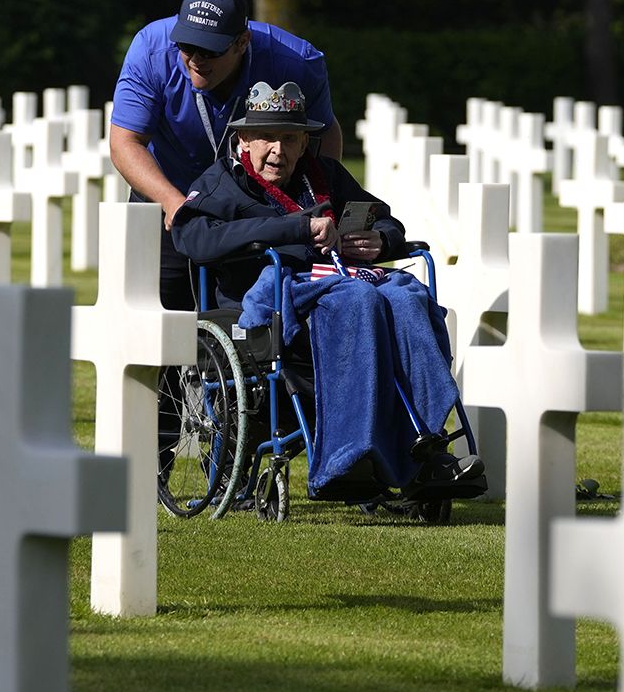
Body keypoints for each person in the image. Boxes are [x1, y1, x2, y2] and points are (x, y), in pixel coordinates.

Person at [170, 81, 483, 504]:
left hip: (342, 286)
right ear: (243, 138)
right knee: (359, 301)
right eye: (266, 137)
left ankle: (427, 447)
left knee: (408, 298)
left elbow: (388, 221)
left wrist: (380, 242)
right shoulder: (222, 183)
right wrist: (294, 228)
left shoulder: (324, 176)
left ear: (304, 143)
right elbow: (194, 240)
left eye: (289, 138)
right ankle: (348, 456)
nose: (277, 151)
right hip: (269, 304)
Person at [110, 0, 344, 311]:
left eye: (210, 50)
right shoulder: (150, 50)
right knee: (157, 324)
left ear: (242, 42)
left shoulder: (297, 62)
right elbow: (125, 142)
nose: (195, 60)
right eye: (186, 47)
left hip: (258, 205)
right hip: (168, 193)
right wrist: (173, 202)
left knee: (256, 318)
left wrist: (317, 202)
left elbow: (324, 132)